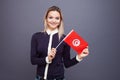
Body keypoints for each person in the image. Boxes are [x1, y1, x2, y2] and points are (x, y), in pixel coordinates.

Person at [31, 6, 89, 80]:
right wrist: (47, 59)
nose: (53, 21)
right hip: (40, 78)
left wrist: (80, 56)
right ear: (46, 19)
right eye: (50, 17)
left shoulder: (64, 39)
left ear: (60, 20)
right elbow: (33, 60)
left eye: (57, 18)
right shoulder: (36, 36)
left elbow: (67, 64)